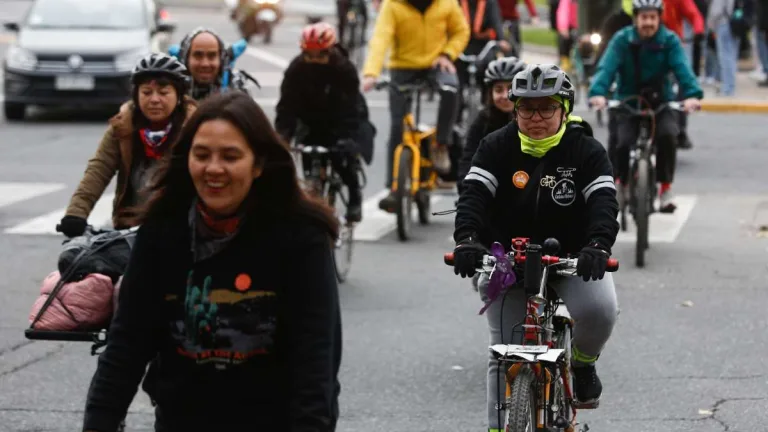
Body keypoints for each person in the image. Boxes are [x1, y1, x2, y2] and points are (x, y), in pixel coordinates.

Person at [81, 91, 343, 431]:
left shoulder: (301, 237)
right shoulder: (162, 232)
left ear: (259, 163)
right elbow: (127, 345)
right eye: (201, 155)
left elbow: (316, 358)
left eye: (231, 156)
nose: (214, 169)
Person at [452, 64, 620, 432]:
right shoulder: (495, 146)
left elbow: (604, 204)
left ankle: (582, 363)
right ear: (514, 110)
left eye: (547, 108)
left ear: (564, 109)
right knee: (502, 355)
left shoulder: (586, 150)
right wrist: (466, 239)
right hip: (508, 261)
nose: (536, 117)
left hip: (573, 258)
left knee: (601, 310)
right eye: (526, 108)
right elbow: (474, 197)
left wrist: (598, 246)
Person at [57, 53, 196, 238]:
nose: (154, 99)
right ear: (136, 95)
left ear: (179, 96)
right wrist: (76, 213)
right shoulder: (123, 126)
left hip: (182, 228)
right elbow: (99, 169)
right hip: (130, 228)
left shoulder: (196, 128)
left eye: (163, 93)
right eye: (146, 92)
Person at [589, 0, 703, 213]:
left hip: (661, 101)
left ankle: (665, 188)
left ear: (659, 18)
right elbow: (606, 68)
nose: (648, 23)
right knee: (621, 143)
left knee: (669, 135)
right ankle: (620, 184)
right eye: (644, 17)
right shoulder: (622, 40)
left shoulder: (669, 40)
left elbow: (683, 69)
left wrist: (692, 95)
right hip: (627, 100)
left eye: (652, 17)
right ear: (636, 19)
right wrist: (598, 93)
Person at [360, 0, 470, 211]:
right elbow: (381, 38)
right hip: (402, 66)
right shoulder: (393, 4)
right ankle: (393, 188)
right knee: (397, 126)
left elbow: (461, 31)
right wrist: (371, 73)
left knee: (451, 89)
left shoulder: (446, 3)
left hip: (435, 63)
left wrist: (447, 54)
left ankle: (441, 144)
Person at [275, 22, 370, 223]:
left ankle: (355, 197)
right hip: (309, 122)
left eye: (321, 55)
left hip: (340, 119)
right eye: (309, 55)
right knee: (307, 158)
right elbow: (286, 106)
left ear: (331, 50)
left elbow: (351, 109)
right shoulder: (296, 69)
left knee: (344, 159)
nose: (315, 61)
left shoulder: (345, 70)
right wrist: (282, 137)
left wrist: (348, 138)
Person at [457, 56, 527, 193]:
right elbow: (468, 159)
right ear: (490, 93)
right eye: (498, 90)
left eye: (511, 88)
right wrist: (465, 190)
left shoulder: (534, 119)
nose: (505, 96)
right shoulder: (483, 121)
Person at [455, 0, 510, 124]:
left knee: (490, 76)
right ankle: (454, 125)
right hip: (461, 47)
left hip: (484, 47)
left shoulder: (489, 3)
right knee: (455, 85)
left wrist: (501, 40)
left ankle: (490, 114)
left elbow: (496, 21)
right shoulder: (456, 2)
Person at [172, 27, 246, 100]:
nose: (205, 64)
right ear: (186, 59)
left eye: (212, 56)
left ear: (221, 59)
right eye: (198, 55)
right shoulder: (172, 88)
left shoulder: (236, 87)